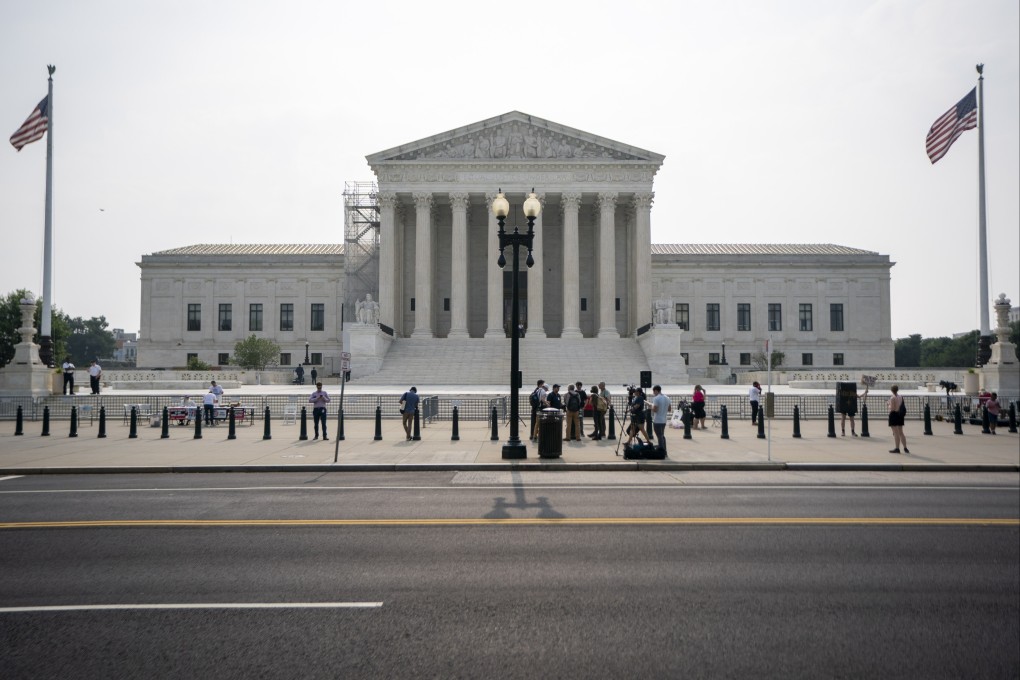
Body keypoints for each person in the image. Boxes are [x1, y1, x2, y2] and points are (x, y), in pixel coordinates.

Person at [887, 385, 909, 454]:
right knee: (901, 432)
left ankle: (897, 448)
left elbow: (892, 408)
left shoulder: (892, 398)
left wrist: (888, 405)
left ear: (891, 390)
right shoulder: (900, 397)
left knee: (895, 433)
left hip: (894, 415)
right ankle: (905, 448)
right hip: (900, 415)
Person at [650, 385, 672, 454]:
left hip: (657, 420)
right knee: (662, 435)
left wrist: (651, 407)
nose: (654, 393)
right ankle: (664, 450)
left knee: (659, 436)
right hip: (664, 420)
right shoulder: (667, 398)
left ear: (656, 390)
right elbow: (669, 409)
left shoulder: (656, 398)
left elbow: (655, 409)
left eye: (654, 392)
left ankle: (662, 451)